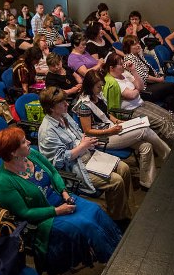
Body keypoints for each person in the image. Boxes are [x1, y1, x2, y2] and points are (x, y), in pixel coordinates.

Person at [0, 126, 121, 275]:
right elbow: (25, 213)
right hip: (44, 217)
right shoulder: (5, 182)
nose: (29, 142)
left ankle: (117, 246)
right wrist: (57, 211)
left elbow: (54, 172)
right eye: (23, 141)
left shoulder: (31, 154)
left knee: (96, 210)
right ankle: (111, 261)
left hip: (61, 199)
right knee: (86, 225)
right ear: (13, 152)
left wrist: (64, 191)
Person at [37, 87, 132, 226]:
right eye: (62, 103)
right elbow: (57, 162)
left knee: (124, 168)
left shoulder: (64, 116)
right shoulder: (47, 131)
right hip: (74, 167)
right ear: (51, 108)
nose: (67, 104)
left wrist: (88, 141)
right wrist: (82, 146)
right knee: (116, 181)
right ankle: (118, 220)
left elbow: (79, 135)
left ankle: (121, 211)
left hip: (87, 155)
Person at [76, 70, 170, 189]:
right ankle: (168, 156)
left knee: (146, 146)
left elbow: (106, 114)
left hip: (111, 129)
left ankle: (147, 182)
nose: (101, 89)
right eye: (98, 87)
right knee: (144, 130)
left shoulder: (97, 96)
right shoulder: (84, 105)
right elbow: (87, 131)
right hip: (101, 139)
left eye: (101, 86)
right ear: (90, 86)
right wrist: (109, 131)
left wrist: (117, 121)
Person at [102, 53, 174, 139]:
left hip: (141, 103)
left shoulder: (124, 74)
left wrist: (133, 70)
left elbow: (141, 86)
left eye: (123, 62)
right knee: (162, 122)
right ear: (111, 68)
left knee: (168, 116)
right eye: (120, 64)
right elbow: (132, 95)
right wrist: (137, 89)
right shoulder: (113, 82)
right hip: (130, 111)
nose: (123, 65)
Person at [122, 35, 174, 111]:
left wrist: (158, 76)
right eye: (134, 44)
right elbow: (143, 76)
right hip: (145, 89)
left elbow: (149, 68)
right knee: (173, 86)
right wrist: (159, 80)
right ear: (128, 47)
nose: (138, 45)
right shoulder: (129, 58)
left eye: (138, 43)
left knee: (170, 97)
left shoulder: (137, 54)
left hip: (152, 83)